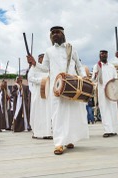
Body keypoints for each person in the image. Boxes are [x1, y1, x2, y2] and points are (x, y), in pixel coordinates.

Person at [27, 26, 89, 155]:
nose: (55, 34)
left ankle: (70, 139)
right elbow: (44, 68)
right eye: (53, 33)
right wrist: (34, 63)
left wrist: (84, 77)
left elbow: (78, 65)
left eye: (57, 32)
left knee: (71, 113)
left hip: (71, 85)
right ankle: (59, 143)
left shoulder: (71, 48)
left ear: (63, 34)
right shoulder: (49, 51)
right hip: (56, 87)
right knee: (57, 115)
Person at [92, 50, 118, 137]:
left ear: (107, 55)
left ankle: (114, 130)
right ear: (99, 56)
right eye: (101, 54)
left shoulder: (112, 66)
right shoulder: (97, 66)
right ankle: (108, 130)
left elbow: (115, 78)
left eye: (104, 54)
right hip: (102, 91)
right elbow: (93, 80)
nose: (103, 55)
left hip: (111, 91)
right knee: (104, 110)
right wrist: (96, 75)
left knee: (113, 109)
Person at [28, 53, 52, 139]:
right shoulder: (34, 67)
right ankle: (37, 133)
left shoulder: (47, 68)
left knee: (47, 112)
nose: (41, 60)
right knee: (37, 112)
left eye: (42, 58)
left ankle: (47, 133)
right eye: (40, 58)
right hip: (37, 93)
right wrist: (41, 81)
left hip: (47, 93)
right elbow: (30, 78)